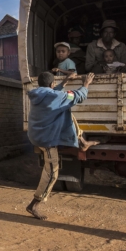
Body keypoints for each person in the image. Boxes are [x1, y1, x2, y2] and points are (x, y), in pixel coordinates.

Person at [25, 71, 96, 220]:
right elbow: (77, 96)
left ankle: (81, 141)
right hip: (46, 139)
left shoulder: (38, 94)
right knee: (52, 173)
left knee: (65, 111)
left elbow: (54, 95)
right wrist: (86, 84)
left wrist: (64, 81)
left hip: (37, 134)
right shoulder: (55, 96)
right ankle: (34, 205)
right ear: (52, 84)